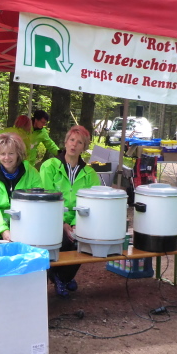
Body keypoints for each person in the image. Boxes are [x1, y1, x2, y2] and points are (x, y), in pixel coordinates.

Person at [40, 125, 100, 296]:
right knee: (63, 240)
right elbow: (46, 198)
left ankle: (63, 276)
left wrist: (75, 224)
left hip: (79, 220)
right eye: (72, 140)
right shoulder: (49, 166)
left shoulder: (89, 173)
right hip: (51, 219)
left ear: (84, 147)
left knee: (84, 241)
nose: (74, 144)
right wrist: (63, 223)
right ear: (65, 142)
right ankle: (60, 275)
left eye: (79, 142)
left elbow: (93, 202)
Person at [0, 132, 43, 243]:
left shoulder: (32, 173)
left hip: (26, 225)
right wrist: (3, 230)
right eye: (2, 154)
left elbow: (38, 202)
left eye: (11, 153)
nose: (6, 158)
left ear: (18, 154)